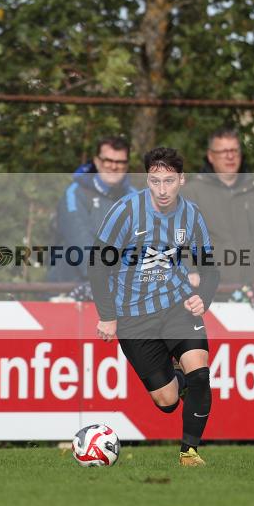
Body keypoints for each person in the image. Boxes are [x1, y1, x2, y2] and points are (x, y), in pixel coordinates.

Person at [88, 147, 219, 467]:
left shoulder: (191, 215)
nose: (162, 190)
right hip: (133, 316)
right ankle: (179, 380)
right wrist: (107, 316)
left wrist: (205, 298)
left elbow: (210, 268)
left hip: (177, 304)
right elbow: (97, 264)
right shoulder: (127, 210)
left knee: (201, 373)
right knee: (167, 401)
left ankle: (189, 452)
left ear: (182, 180)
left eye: (169, 181)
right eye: (155, 181)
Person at [182, 128, 254, 301]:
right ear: (211, 156)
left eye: (234, 150)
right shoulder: (191, 193)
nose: (230, 156)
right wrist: (191, 275)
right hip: (211, 294)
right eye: (223, 151)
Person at [47, 136, 134, 293]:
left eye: (120, 162)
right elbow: (80, 240)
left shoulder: (136, 198)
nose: (114, 167)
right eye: (108, 160)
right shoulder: (75, 193)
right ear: (97, 161)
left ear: (127, 165)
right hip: (67, 290)